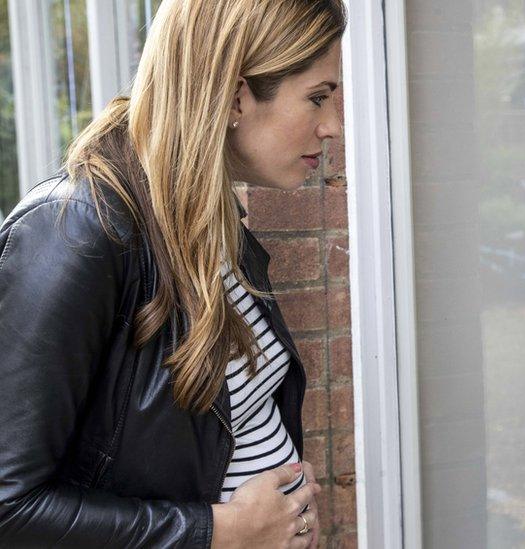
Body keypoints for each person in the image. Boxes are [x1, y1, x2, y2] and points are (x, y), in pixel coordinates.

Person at [0, 1, 345, 547]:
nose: (332, 127)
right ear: (235, 96)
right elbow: (9, 508)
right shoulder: (75, 231)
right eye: (318, 98)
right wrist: (217, 532)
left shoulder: (206, 223)